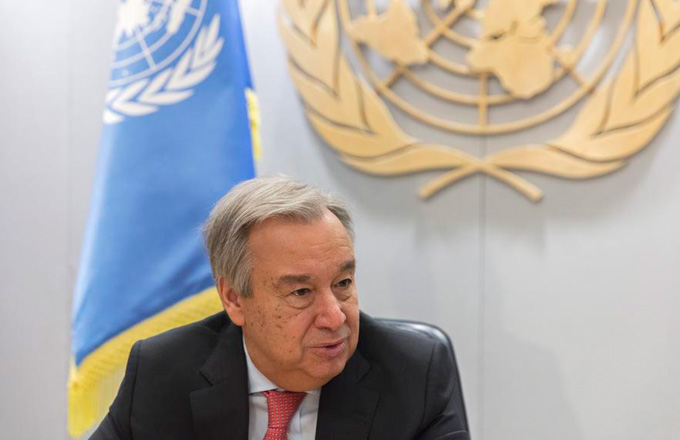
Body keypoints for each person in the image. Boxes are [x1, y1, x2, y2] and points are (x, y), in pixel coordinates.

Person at [90, 176, 470, 440]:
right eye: (301, 292)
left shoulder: (413, 373)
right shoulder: (164, 371)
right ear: (234, 299)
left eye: (343, 284)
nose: (335, 317)